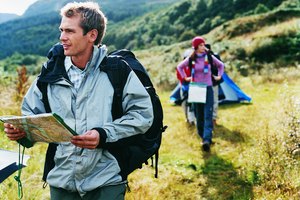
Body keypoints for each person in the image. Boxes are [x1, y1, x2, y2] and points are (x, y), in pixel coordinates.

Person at [3, 2, 153, 199]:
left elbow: (142, 114)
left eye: (70, 31)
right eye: (61, 30)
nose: (62, 37)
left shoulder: (118, 71)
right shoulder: (50, 72)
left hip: (106, 180)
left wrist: (104, 134)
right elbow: (31, 114)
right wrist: (22, 133)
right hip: (61, 181)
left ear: (92, 35)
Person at [176, 36, 224, 152]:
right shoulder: (191, 58)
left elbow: (221, 65)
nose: (204, 47)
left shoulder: (209, 57)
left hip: (208, 88)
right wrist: (185, 78)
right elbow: (179, 67)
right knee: (199, 115)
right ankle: (203, 137)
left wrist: (219, 76)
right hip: (196, 88)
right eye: (201, 45)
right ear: (196, 47)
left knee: (208, 113)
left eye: (204, 45)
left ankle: (207, 139)